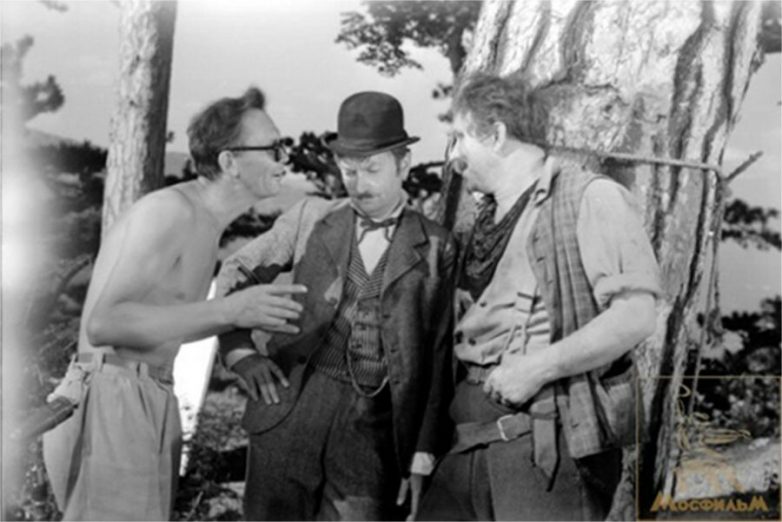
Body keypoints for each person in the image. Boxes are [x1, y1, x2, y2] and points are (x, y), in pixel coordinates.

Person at [42, 87, 307, 521]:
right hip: (113, 394)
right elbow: (105, 325)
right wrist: (228, 311)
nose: (284, 160)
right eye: (273, 148)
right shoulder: (170, 211)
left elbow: (165, 324)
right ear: (229, 162)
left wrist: (240, 323)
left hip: (147, 393)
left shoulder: (205, 222)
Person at [416, 73, 661, 521]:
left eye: (460, 138)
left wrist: (537, 368)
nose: (452, 156)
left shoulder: (591, 197)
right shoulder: (482, 221)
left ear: (496, 135)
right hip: (465, 444)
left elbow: (637, 314)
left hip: (546, 448)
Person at [215, 91, 456, 521]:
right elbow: (237, 271)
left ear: (403, 164)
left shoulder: (437, 246)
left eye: (372, 169)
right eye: (349, 170)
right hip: (290, 410)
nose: (359, 184)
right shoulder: (310, 217)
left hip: (375, 433)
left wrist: (423, 449)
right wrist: (240, 353)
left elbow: (439, 356)